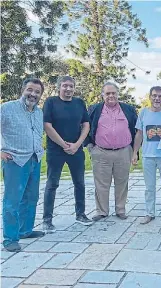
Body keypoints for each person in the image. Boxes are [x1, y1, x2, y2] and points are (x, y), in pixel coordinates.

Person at [1, 78, 46, 252]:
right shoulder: (7, 108)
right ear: (23, 89)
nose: (33, 94)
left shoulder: (38, 112)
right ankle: (10, 238)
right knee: (12, 201)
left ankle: (25, 230)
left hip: (34, 159)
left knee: (31, 197)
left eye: (37, 92)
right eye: (30, 90)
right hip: (15, 161)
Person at [43, 76, 92, 233]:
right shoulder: (51, 102)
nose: (68, 89)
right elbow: (47, 126)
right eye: (65, 86)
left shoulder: (79, 103)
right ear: (59, 87)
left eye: (71, 86)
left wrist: (77, 144)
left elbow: (86, 124)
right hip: (55, 150)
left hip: (76, 149)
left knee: (80, 183)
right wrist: (64, 145)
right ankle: (47, 220)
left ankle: (81, 214)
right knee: (52, 184)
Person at [85, 82, 138, 221]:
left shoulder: (128, 109)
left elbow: (136, 129)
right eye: (108, 93)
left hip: (123, 151)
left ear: (117, 94)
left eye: (113, 93)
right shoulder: (94, 109)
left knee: (122, 182)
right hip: (101, 151)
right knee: (101, 183)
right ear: (102, 95)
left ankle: (120, 210)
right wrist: (90, 145)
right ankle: (102, 211)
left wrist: (134, 151)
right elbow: (84, 126)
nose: (111, 96)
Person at [131, 86, 161, 225]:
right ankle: (150, 213)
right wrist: (135, 153)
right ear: (150, 97)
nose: (157, 98)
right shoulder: (143, 113)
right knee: (149, 187)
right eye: (154, 96)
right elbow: (139, 134)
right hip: (148, 155)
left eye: (160, 96)